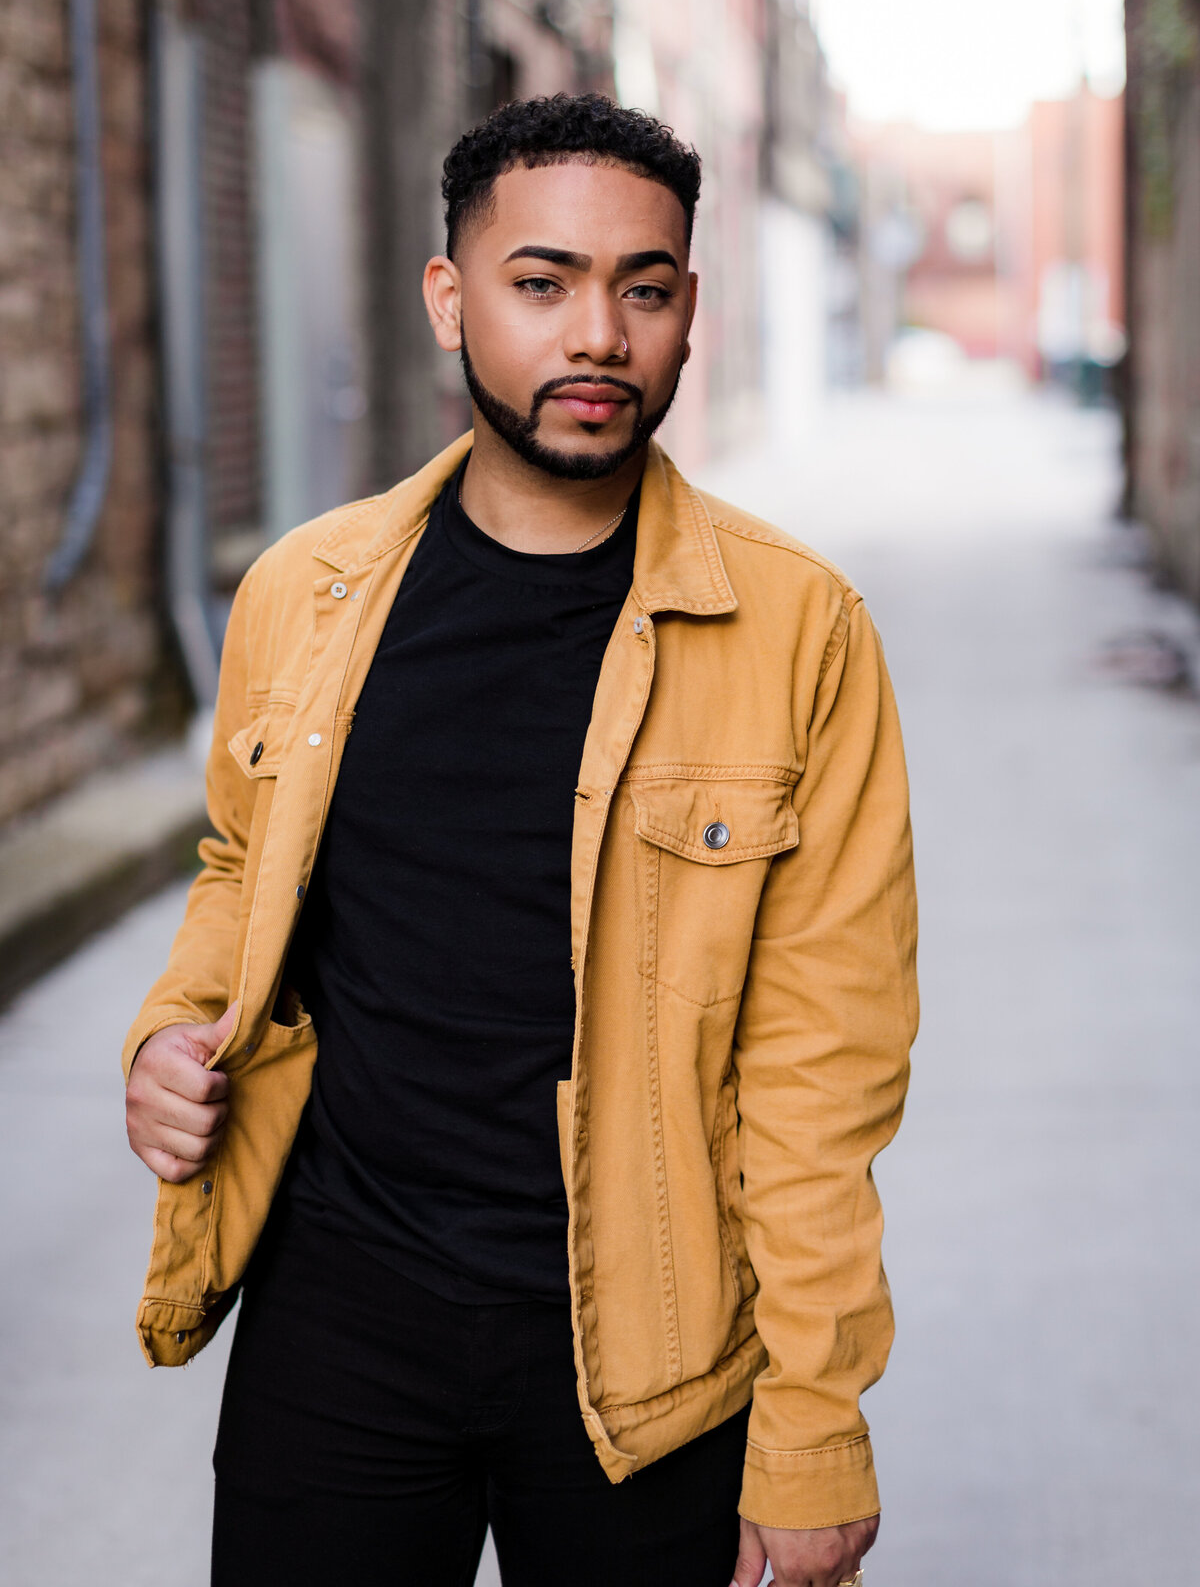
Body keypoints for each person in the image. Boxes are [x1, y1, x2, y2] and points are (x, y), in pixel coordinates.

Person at [124, 93, 917, 1587]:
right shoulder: (308, 594)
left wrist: (813, 1431)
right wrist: (173, 1038)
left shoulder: (801, 630)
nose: (599, 337)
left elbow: (828, 1068)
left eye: (646, 287)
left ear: (691, 313)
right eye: (541, 283)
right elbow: (243, 876)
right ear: (451, 298)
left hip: (651, 1352)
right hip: (340, 1325)